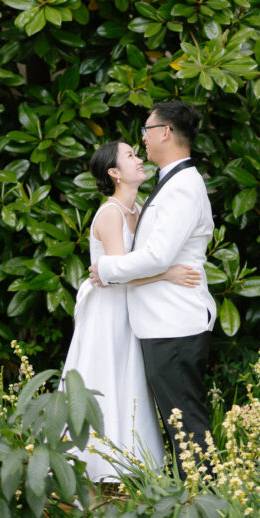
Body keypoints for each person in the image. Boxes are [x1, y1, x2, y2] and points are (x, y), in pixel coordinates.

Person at [62, 139, 201, 482]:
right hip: (108, 312)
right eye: (130, 156)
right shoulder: (110, 214)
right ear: (114, 173)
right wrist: (169, 272)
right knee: (109, 381)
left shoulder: (138, 210)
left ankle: (130, 461)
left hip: (131, 308)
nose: (139, 159)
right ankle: (97, 467)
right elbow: (121, 275)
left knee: (131, 382)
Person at [90, 101, 216, 471]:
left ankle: (203, 507)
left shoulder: (181, 188)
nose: (142, 139)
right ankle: (194, 502)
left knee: (186, 424)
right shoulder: (173, 182)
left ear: (165, 132)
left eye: (146, 130)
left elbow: (158, 256)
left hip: (173, 321)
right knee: (181, 424)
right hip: (163, 321)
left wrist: (106, 269)